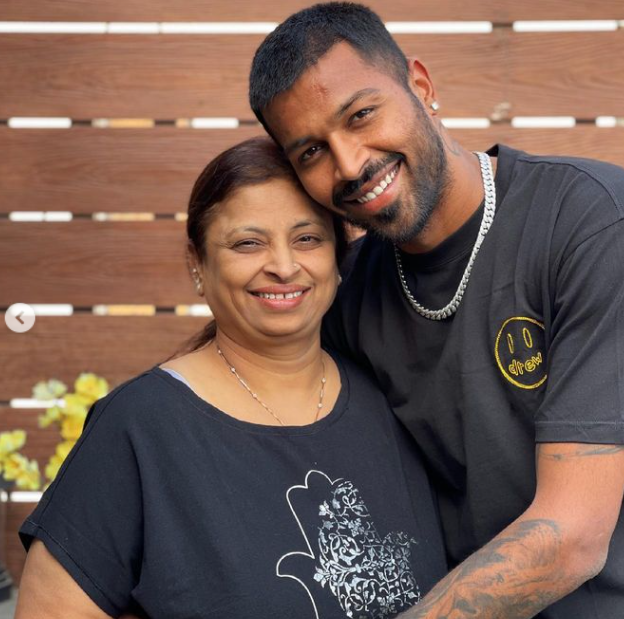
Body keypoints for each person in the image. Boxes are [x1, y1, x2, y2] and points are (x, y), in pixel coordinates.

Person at [248, 3, 624, 618]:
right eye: (312, 152)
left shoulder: (590, 223)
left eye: (362, 115)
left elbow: (573, 536)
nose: (350, 164)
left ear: (420, 86)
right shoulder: (347, 297)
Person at [15, 137, 447, 619]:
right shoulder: (139, 428)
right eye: (247, 242)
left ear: (337, 259)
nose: (284, 267)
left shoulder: (387, 403)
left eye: (307, 239)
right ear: (196, 265)